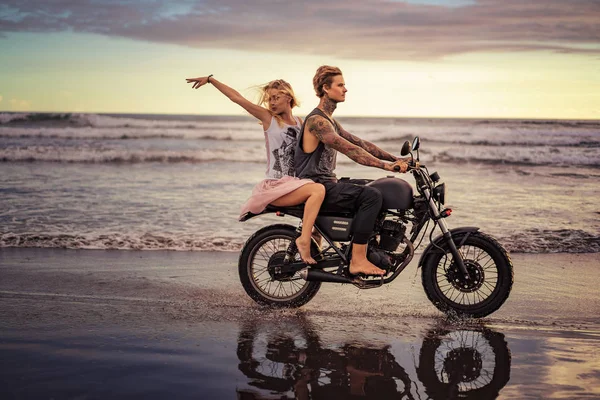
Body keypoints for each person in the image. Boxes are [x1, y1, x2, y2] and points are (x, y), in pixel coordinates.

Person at [186, 75, 325, 264]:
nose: (271, 102)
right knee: (317, 190)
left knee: (326, 194)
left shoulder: (301, 123)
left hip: (295, 183)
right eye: (269, 98)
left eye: (276, 97)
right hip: (276, 185)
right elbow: (237, 99)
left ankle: (317, 246)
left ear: (288, 98)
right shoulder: (269, 119)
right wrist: (211, 80)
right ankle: (304, 240)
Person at [295, 66, 409, 276]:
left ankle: (369, 246)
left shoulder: (329, 120)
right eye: (340, 85)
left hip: (328, 183)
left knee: (375, 187)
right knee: (371, 196)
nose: (345, 89)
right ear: (325, 88)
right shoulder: (317, 121)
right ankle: (357, 260)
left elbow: (360, 143)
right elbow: (350, 149)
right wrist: (385, 165)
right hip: (315, 186)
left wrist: (396, 159)